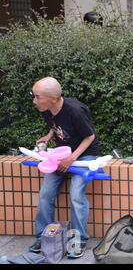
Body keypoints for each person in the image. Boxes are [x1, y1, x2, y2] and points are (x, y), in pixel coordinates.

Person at [28, 77, 100, 258]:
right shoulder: (45, 108)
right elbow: (56, 125)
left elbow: (90, 136)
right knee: (46, 193)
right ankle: (43, 236)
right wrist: (48, 136)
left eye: (37, 97)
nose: (34, 101)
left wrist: (72, 158)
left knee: (76, 195)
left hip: (84, 154)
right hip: (61, 154)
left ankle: (78, 240)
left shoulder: (75, 110)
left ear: (52, 98)